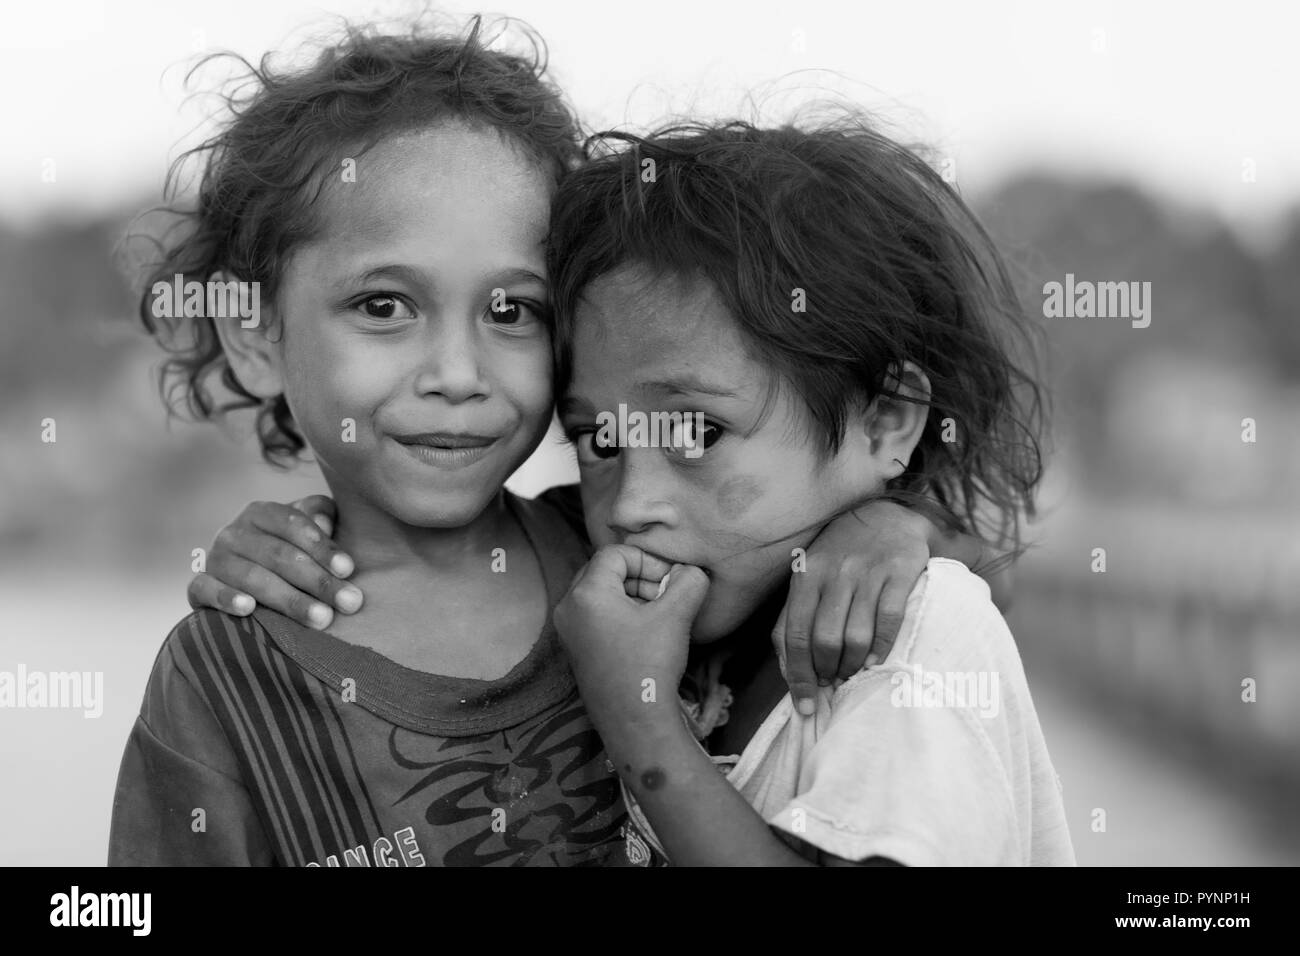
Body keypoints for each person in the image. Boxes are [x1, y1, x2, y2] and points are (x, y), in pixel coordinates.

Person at [110, 19, 972, 867]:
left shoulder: (640, 562)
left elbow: (950, 625)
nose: (457, 372)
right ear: (257, 336)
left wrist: (886, 525)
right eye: (383, 306)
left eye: (511, 311)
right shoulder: (223, 677)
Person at [548, 119, 1075, 866]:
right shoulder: (637, 605)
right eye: (599, 440)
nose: (630, 505)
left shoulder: (910, 646)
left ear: (886, 421)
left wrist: (640, 722)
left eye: (695, 433)